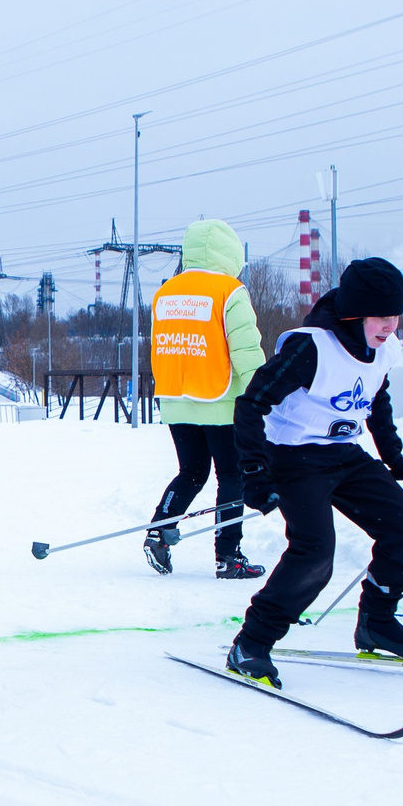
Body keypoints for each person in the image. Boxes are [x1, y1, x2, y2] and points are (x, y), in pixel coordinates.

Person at [224, 257, 403, 686]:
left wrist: (393, 457)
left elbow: (375, 400)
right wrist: (255, 473)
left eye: (395, 314)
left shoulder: (383, 348)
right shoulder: (310, 348)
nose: (390, 325)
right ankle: (252, 642)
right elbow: (250, 405)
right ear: (354, 312)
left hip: (344, 454)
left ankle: (377, 622)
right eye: (380, 315)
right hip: (294, 457)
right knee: (315, 553)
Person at [141, 217, 266, 579]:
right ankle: (228, 556)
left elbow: (159, 346)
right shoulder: (229, 291)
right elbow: (247, 351)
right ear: (230, 252)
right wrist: (265, 394)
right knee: (232, 475)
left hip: (176, 398)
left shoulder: (166, 292)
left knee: (192, 472)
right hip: (221, 401)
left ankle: (158, 531)